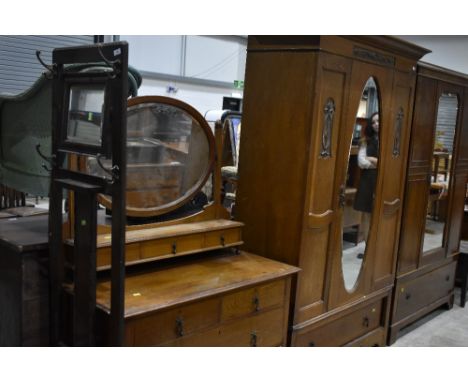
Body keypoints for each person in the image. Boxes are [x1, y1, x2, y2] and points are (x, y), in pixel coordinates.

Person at [353, 112, 379, 259]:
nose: (376, 124)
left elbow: (389, 163)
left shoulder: (390, 140)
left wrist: (374, 159)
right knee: (368, 216)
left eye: (379, 121)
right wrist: (377, 162)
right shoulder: (365, 140)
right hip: (368, 181)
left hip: (384, 180)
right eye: (373, 122)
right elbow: (361, 162)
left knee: (381, 215)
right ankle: (369, 250)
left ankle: (378, 249)